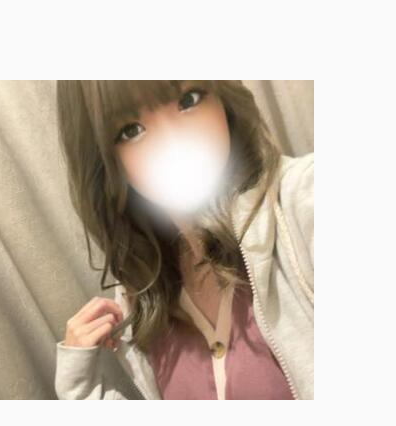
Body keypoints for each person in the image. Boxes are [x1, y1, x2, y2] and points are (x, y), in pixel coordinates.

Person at [54, 80, 313, 399]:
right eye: (131, 130)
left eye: (189, 99)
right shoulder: (144, 289)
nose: (173, 142)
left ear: (222, 97)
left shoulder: (303, 199)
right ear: (107, 160)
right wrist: (79, 387)